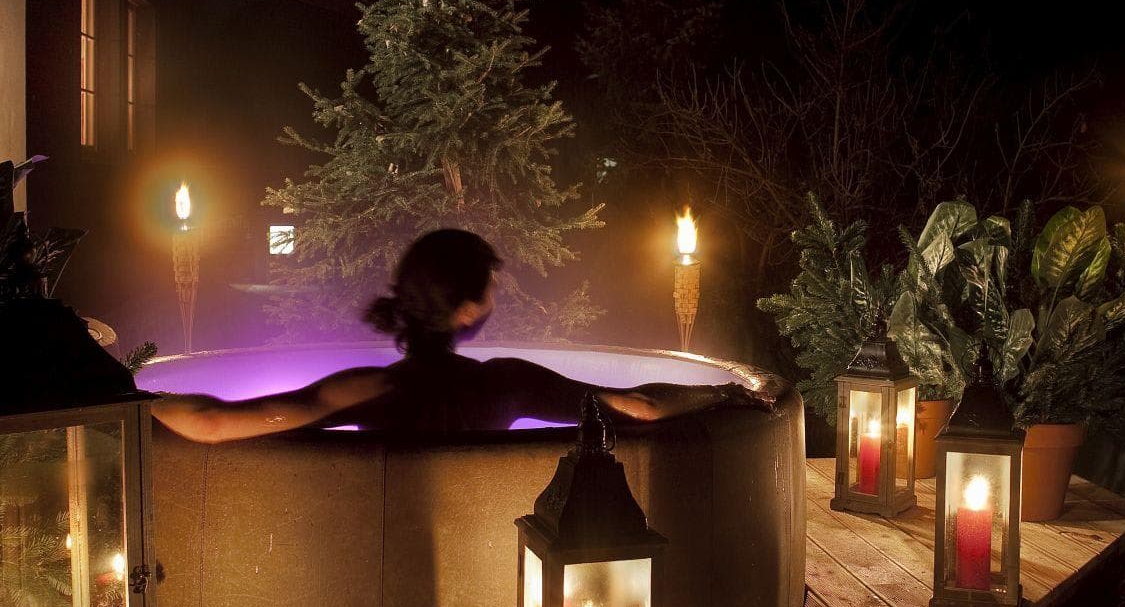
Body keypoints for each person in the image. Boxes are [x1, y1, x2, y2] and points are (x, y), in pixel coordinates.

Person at [151, 228, 774, 443]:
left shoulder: (367, 389)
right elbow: (638, 406)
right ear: (469, 310)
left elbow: (213, 422)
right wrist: (729, 392)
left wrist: (123, 404)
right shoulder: (503, 385)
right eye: (493, 289)